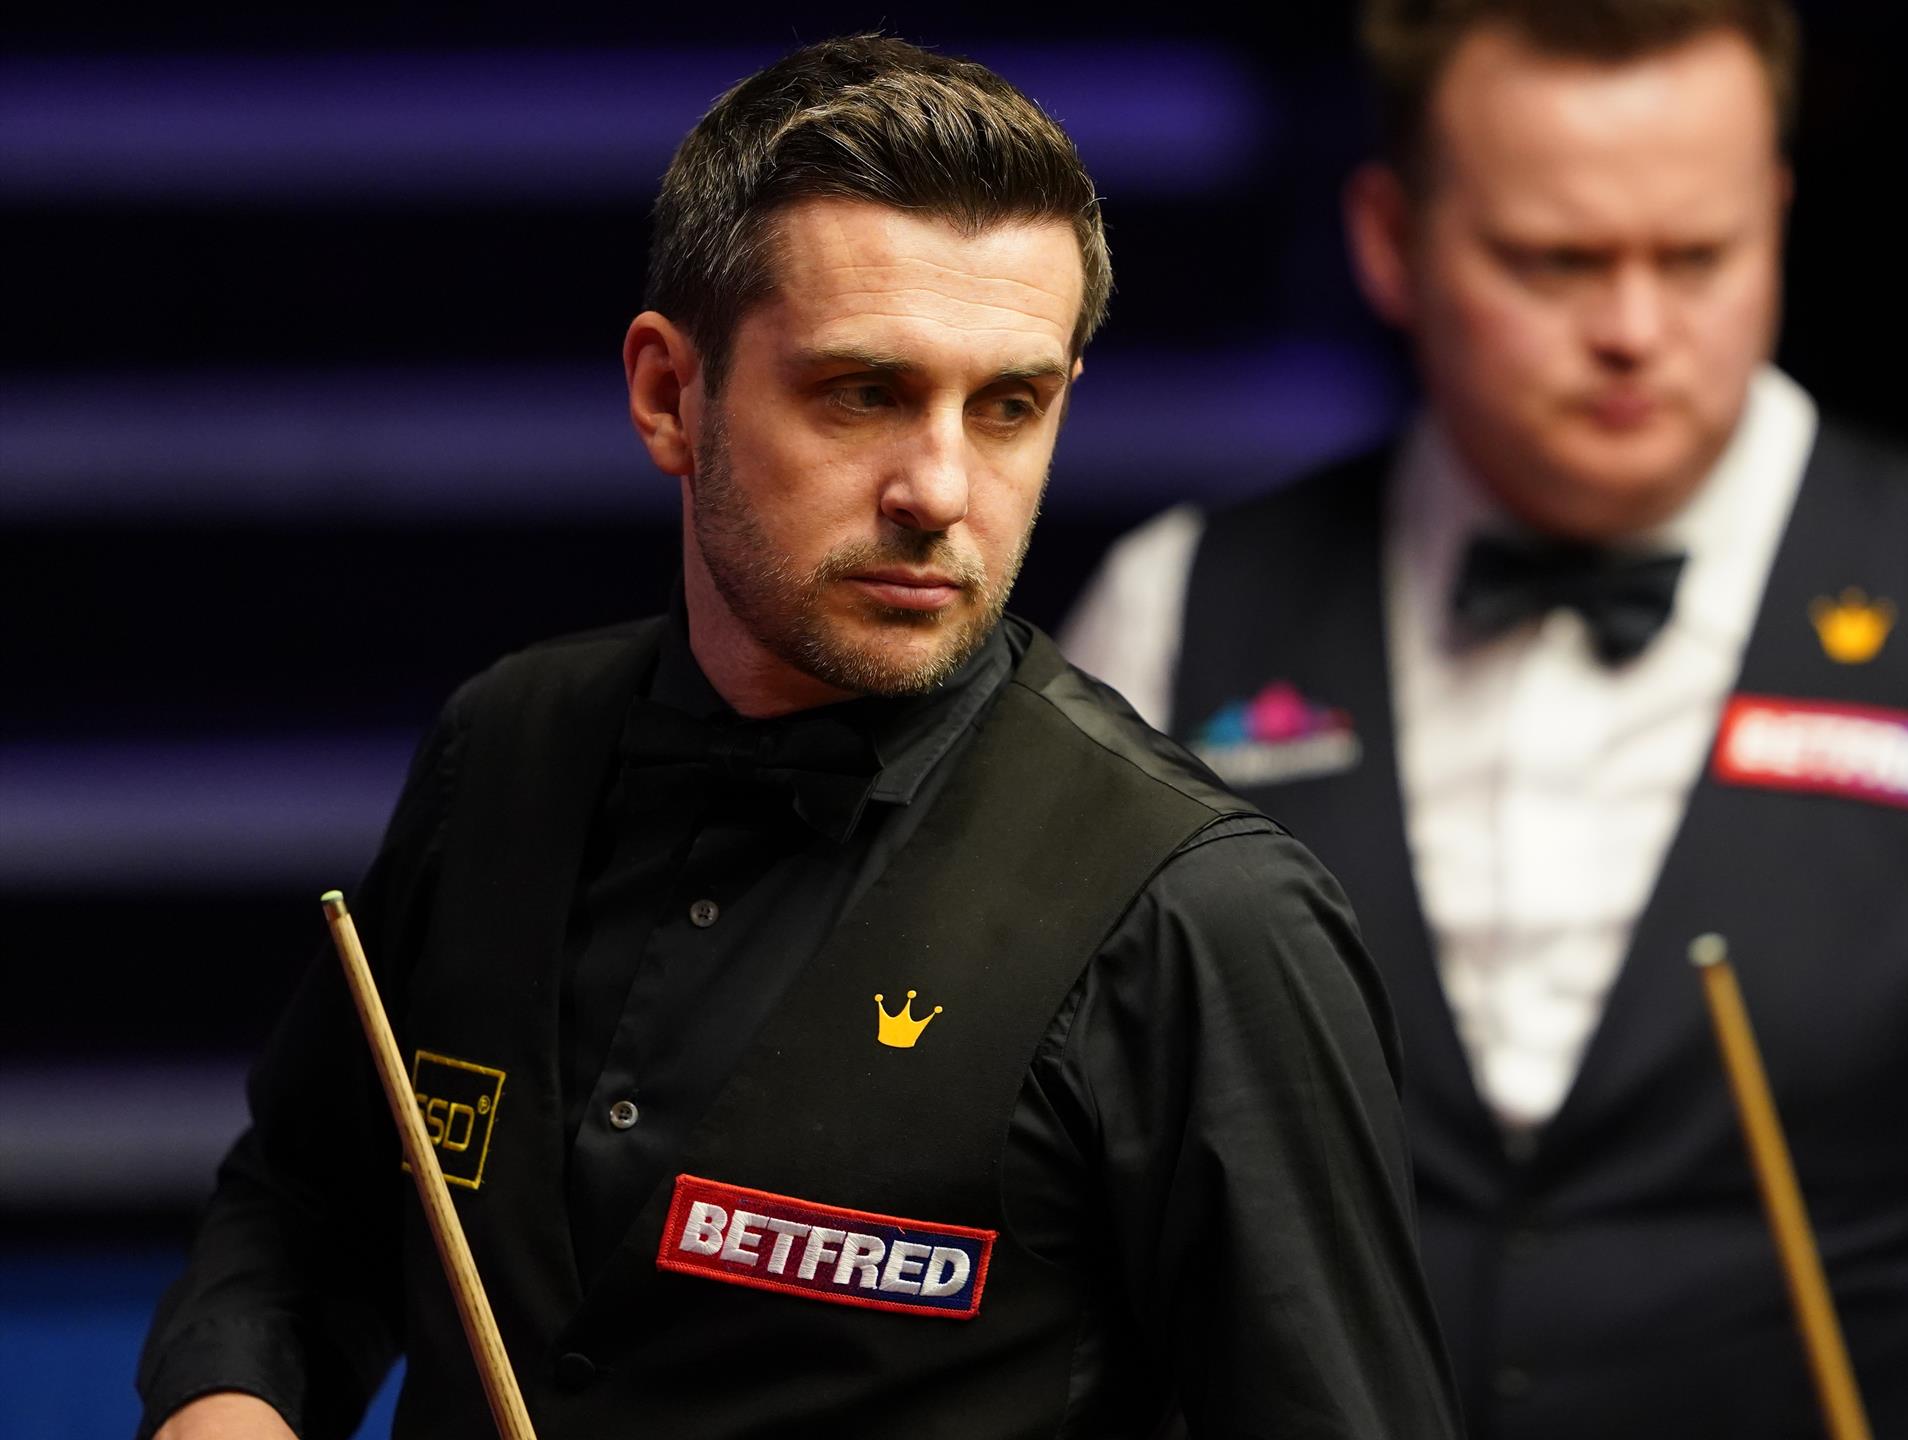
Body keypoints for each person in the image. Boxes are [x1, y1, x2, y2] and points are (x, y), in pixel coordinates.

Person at [1061, 2, 1908, 1436]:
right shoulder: (1174, 618)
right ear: (1390, 241)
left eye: (1698, 257)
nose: (1635, 331)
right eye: (1555, 261)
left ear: (1775, 214)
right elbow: (1022, 1202)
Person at [135, 36, 1459, 1440]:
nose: (940, 489)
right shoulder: (503, 746)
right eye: (864, 393)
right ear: (670, 394)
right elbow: (304, 1210)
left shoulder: (1204, 916)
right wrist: (230, 1402)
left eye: (1009, 408)